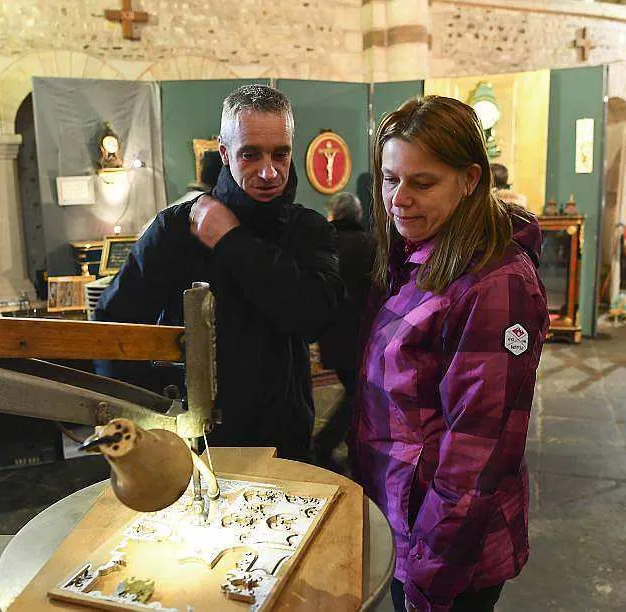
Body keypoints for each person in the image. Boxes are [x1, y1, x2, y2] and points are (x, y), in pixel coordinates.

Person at [349, 96, 549, 612]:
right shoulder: (416, 253)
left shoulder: (496, 284)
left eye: (422, 182)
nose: (399, 199)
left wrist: (430, 575)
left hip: (448, 552)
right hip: (404, 523)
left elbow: (477, 454)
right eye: (390, 179)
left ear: (469, 180)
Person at [94, 84, 343, 461]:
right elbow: (114, 325)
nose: (269, 171)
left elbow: (314, 316)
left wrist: (231, 241)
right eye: (250, 154)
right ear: (225, 153)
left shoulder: (307, 229)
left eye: (280, 154)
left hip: (283, 438)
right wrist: (139, 421)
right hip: (189, 439)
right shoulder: (175, 228)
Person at [314, 192, 376, 472]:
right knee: (359, 394)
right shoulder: (369, 244)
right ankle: (326, 444)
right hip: (360, 333)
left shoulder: (324, 244)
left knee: (357, 391)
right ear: (357, 215)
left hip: (331, 332)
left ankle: (343, 445)